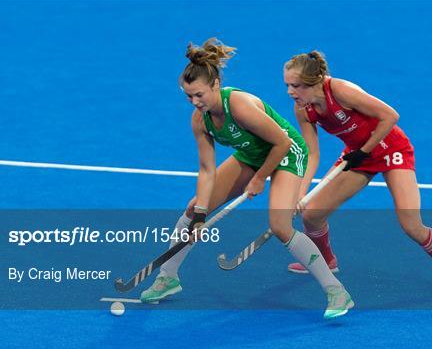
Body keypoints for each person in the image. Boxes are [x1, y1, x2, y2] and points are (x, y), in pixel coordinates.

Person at [140, 39, 354, 318]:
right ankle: (167, 277)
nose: (195, 102)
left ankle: (336, 290)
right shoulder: (199, 120)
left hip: (286, 152)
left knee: (280, 226)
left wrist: (260, 179)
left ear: (215, 84)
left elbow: (281, 143)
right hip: (252, 154)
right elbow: (207, 170)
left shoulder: (238, 105)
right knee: (193, 211)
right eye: (189, 97)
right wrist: (203, 212)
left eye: (199, 95)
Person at [283, 51, 432, 296]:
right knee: (312, 214)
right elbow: (312, 154)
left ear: (314, 82)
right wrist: (300, 194)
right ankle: (327, 261)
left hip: (392, 150)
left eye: (296, 86)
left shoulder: (341, 91)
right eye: (287, 85)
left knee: (412, 226)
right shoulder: (302, 109)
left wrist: (365, 150)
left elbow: (390, 116)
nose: (290, 92)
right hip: (358, 155)